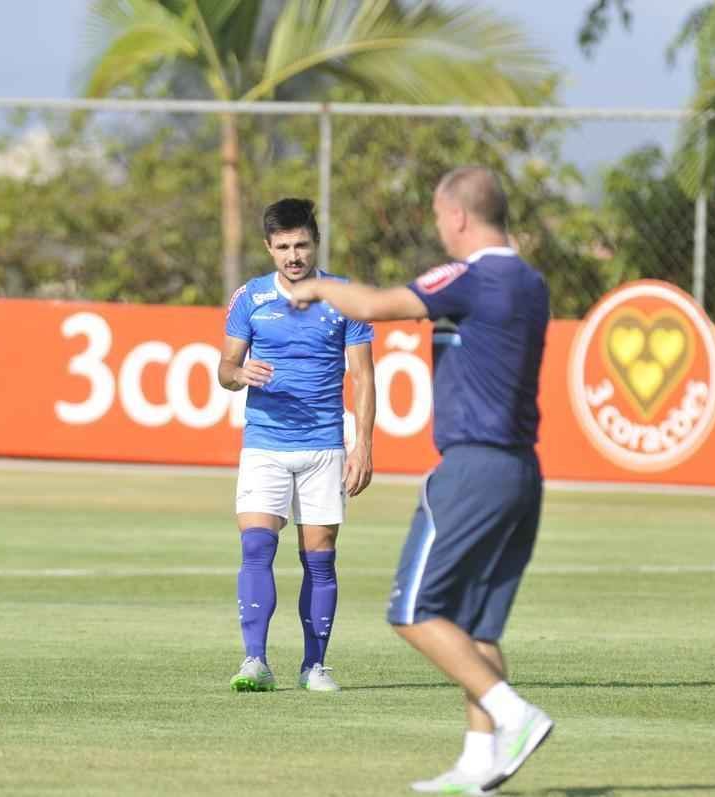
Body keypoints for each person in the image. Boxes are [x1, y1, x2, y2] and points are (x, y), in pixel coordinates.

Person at [289, 167, 552, 795]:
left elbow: (378, 307)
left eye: (440, 218)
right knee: (476, 630)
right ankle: (478, 761)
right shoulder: (532, 282)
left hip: (471, 467)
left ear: (458, 216)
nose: (440, 230)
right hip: (522, 471)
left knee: (412, 611)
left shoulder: (472, 276)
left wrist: (317, 286)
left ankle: (515, 716)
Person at [219, 197, 376, 693]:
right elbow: (225, 369)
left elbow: (363, 377)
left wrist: (363, 445)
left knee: (320, 556)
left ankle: (314, 666)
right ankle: (255, 662)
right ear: (269, 248)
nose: (293, 255)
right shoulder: (250, 298)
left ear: (316, 245)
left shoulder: (345, 297)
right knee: (256, 547)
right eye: (283, 246)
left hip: (324, 447)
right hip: (264, 444)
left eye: (302, 245)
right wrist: (239, 373)